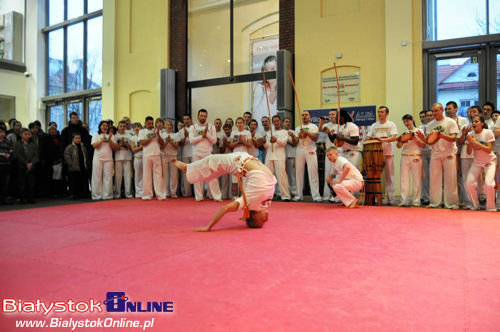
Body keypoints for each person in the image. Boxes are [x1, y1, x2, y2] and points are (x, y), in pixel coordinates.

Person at [175, 152, 276, 231]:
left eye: (262, 221)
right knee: (213, 168)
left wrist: (209, 227)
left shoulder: (248, 203)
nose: (266, 220)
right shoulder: (266, 204)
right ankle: (190, 169)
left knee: (212, 162)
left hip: (237, 163)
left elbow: (225, 208)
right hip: (246, 160)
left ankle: (188, 168)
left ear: (253, 215)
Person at [420, 102, 460, 209]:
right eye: (433, 111)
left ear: (442, 110)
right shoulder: (430, 125)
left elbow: (453, 138)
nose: (434, 113)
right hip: (435, 153)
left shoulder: (450, 122)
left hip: (449, 153)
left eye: (437, 110)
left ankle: (452, 203)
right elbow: (429, 141)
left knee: (450, 179)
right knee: (434, 178)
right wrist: (428, 138)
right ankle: (434, 202)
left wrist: (442, 135)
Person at [367, 106, 398, 205]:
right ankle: (376, 198)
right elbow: (368, 137)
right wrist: (369, 140)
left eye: (382, 112)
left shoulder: (391, 124)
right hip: (376, 153)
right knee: (376, 176)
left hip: (388, 152)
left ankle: (391, 199)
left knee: (389, 176)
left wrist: (383, 140)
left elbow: (393, 137)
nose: (380, 114)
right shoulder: (374, 125)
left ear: (387, 114)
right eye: (379, 112)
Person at [465, 115, 497, 211]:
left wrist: (475, 142)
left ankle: (491, 207)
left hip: (489, 161)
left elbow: (488, 149)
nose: (473, 123)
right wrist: (470, 143)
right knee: (469, 183)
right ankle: (475, 205)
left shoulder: (488, 132)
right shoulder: (470, 134)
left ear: (482, 123)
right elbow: (469, 152)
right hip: (477, 162)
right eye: (472, 122)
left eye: (476, 121)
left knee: (489, 184)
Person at [189, 109, 221, 202]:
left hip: (207, 153)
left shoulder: (211, 127)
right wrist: (202, 136)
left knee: (212, 175)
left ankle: (216, 196)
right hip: (196, 153)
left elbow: (214, 141)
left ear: (206, 116)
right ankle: (199, 196)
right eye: (201, 116)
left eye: (204, 116)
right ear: (198, 116)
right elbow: (191, 140)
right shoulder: (193, 127)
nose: (203, 117)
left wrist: (206, 133)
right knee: (197, 175)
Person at [396, 114, 425, 207]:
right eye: (404, 121)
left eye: (407, 121)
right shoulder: (405, 132)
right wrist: (400, 141)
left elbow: (424, 145)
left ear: (412, 120)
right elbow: (399, 146)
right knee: (404, 179)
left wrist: (416, 139)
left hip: (416, 156)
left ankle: (416, 201)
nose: (406, 123)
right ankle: (404, 200)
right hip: (405, 156)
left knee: (416, 179)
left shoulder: (419, 131)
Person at [292, 110, 321, 201]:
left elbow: (315, 139)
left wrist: (307, 133)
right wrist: (294, 136)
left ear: (310, 117)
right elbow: (295, 142)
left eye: (306, 115)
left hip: (310, 150)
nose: (304, 116)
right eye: (303, 115)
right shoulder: (297, 128)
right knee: (299, 173)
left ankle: (316, 196)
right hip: (300, 151)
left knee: (313, 173)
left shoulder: (313, 127)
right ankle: (298, 195)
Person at [264, 115, 290, 201]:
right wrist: (263, 142)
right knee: (268, 177)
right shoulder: (268, 133)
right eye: (274, 121)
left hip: (279, 156)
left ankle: (285, 195)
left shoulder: (284, 132)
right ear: (272, 123)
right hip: (269, 156)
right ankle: (268, 196)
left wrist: (276, 140)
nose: (276, 123)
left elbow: (283, 144)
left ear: (280, 121)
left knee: (281, 176)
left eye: (277, 121)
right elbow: (267, 146)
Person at [139, 117, 166, 200]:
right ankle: (147, 194)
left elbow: (162, 143)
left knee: (158, 176)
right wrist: (152, 137)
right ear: (145, 123)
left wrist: (157, 134)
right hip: (147, 155)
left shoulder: (158, 131)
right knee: (147, 175)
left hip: (157, 154)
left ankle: (160, 194)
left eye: (152, 123)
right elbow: (142, 143)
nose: (151, 125)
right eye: (149, 123)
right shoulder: (142, 131)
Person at [91, 121, 116, 200]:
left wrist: (109, 140)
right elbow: (94, 145)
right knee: (97, 177)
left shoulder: (111, 135)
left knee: (108, 177)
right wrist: (102, 140)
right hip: (98, 158)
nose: (105, 127)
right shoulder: (96, 134)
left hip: (108, 158)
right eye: (103, 125)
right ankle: (97, 195)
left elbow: (114, 147)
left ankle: (107, 195)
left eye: (106, 126)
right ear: (100, 127)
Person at [14, 128, 39, 204]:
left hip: (31, 165)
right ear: (21, 135)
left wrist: (31, 163)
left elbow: (37, 155)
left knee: (31, 183)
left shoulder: (33, 144)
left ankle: (30, 198)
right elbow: (17, 155)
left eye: (29, 134)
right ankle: (22, 198)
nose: (27, 136)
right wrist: (25, 163)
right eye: (25, 134)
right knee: (22, 183)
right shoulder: (17, 144)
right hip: (21, 166)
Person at [318, 110, 338, 201]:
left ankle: (337, 195)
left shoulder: (340, 125)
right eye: (330, 114)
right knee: (328, 172)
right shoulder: (327, 125)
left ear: (337, 115)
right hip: (329, 152)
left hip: (338, 151)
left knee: (337, 173)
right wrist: (322, 121)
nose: (331, 116)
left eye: (333, 114)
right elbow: (319, 129)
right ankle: (328, 194)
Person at [253, 55, 277, 129]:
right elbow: (256, 112)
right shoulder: (260, 88)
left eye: (272, 69)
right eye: (266, 70)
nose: (269, 73)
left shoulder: (283, 89)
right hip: (262, 128)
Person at [64, 132, 91, 199]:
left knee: (83, 181)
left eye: (79, 138)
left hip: (83, 166)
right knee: (74, 182)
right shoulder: (69, 147)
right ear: (73, 139)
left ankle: (83, 194)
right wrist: (71, 164)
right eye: (76, 138)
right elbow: (67, 156)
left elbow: (86, 156)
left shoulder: (83, 146)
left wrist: (87, 164)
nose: (78, 139)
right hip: (74, 168)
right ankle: (74, 194)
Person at [113, 120, 133, 198]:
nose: (122, 128)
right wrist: (120, 144)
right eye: (121, 126)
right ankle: (117, 194)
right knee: (118, 177)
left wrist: (125, 144)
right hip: (118, 157)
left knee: (128, 176)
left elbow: (132, 147)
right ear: (118, 127)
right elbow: (114, 148)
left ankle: (128, 193)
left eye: (124, 126)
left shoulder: (129, 136)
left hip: (127, 157)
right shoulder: (115, 136)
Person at [161, 120, 180, 198]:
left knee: (174, 175)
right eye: (167, 125)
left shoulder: (175, 135)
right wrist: (166, 142)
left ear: (172, 127)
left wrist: (171, 141)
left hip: (173, 156)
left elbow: (176, 146)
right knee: (164, 175)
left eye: (170, 125)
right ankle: (165, 192)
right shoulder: (162, 135)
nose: (169, 126)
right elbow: (161, 147)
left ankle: (173, 192)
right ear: (165, 126)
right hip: (164, 156)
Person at [418, 110, 432, 205]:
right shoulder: (419, 128)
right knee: (424, 176)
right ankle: (424, 196)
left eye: (425, 116)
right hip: (422, 151)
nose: (423, 118)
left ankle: (433, 196)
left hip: (432, 151)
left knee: (433, 175)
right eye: (422, 117)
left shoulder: (433, 126)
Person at [179, 114, 193, 197]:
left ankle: (197, 193)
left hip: (194, 153)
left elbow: (196, 141)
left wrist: (188, 135)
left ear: (190, 120)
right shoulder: (181, 131)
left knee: (195, 172)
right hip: (185, 154)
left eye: (188, 119)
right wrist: (184, 136)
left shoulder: (194, 128)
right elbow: (181, 144)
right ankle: (187, 193)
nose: (186, 121)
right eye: (184, 119)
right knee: (185, 174)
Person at [283, 117, 297, 198]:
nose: (287, 123)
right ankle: (284, 191)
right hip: (282, 157)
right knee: (282, 176)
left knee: (292, 175)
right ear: (283, 123)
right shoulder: (280, 132)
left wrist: (288, 140)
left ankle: (293, 191)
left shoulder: (293, 132)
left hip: (291, 156)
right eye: (286, 121)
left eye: (289, 122)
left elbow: (295, 143)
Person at [219, 123, 233, 200]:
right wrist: (224, 144)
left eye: (228, 129)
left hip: (232, 159)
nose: (227, 131)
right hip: (224, 159)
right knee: (224, 178)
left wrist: (226, 143)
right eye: (225, 130)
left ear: (231, 130)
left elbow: (233, 148)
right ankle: (223, 195)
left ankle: (231, 195)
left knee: (231, 179)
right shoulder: (222, 137)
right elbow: (221, 150)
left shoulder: (233, 137)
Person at [130, 122, 144, 198]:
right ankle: (138, 192)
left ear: (141, 128)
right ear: (133, 129)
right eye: (135, 127)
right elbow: (133, 149)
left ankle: (145, 191)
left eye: (138, 127)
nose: (137, 128)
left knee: (145, 176)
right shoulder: (133, 138)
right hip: (137, 158)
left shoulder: (144, 136)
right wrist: (140, 147)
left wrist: (139, 147)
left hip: (145, 158)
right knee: (138, 175)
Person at [0, 126, 12, 204]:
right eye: (0, 132)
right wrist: (2, 154)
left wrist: (9, 154)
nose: (2, 134)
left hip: (6, 164)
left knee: (5, 182)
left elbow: (11, 149)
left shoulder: (6, 141)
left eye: (3, 132)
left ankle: (3, 198)